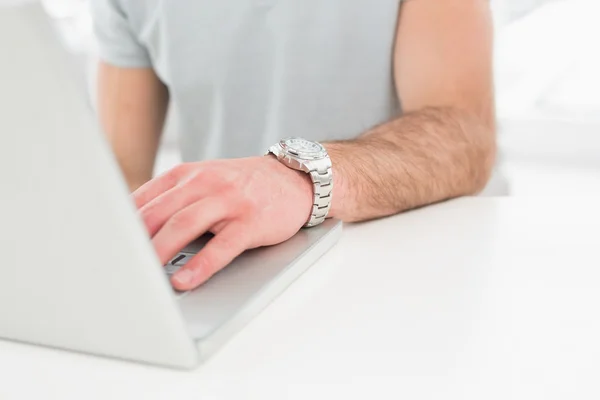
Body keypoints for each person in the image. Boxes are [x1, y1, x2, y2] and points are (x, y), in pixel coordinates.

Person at [91, 0, 502, 292]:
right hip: (231, 271)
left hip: (420, 265)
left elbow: (463, 133)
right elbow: (122, 174)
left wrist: (297, 179)